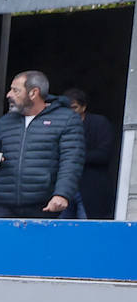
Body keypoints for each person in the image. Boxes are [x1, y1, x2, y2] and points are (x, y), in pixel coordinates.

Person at [0, 71, 84, 219]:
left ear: (33, 93)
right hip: (4, 204)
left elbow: (72, 161)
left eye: (15, 90)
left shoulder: (66, 119)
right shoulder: (6, 121)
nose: (8, 94)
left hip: (44, 205)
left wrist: (62, 194)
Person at [64, 88, 116, 219]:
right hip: (64, 187)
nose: (70, 112)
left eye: (74, 108)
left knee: (87, 229)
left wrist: (75, 157)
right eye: (66, 108)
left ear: (84, 107)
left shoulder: (99, 123)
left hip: (91, 186)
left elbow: (104, 154)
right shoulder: (60, 125)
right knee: (60, 229)